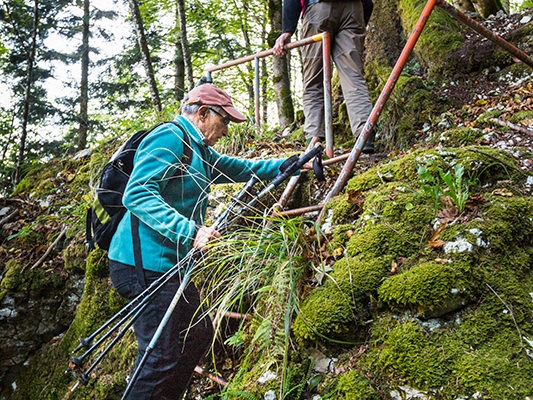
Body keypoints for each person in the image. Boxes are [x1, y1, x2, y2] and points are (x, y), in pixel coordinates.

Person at [107, 83, 295, 399]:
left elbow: (240, 168)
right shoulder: (169, 138)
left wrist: (288, 163)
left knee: (198, 335)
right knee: (161, 353)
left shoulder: (198, 149)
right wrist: (191, 232)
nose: (226, 130)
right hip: (140, 264)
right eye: (225, 122)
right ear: (204, 113)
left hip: (167, 266)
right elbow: (137, 193)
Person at [273, 0, 376, 153]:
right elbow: (369, 3)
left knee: (313, 81)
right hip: (354, 8)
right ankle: (365, 135)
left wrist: (287, 30)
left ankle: (314, 139)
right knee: (353, 77)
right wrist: (360, 16)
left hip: (318, 10)